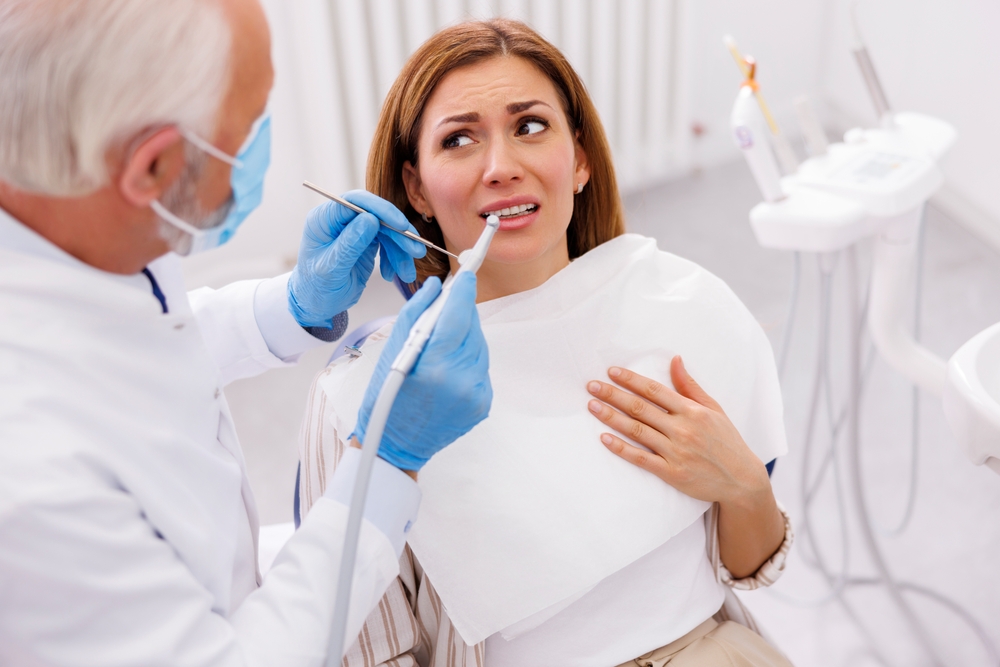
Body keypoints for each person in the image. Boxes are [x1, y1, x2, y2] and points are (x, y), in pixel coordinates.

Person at [0, 1, 491, 665]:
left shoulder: (67, 226)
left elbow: (128, 344)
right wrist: (386, 460)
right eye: (251, 127)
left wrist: (289, 307)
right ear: (151, 169)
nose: (265, 143)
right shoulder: (36, 485)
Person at [297, 19, 794, 667]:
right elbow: (367, 651)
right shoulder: (364, 397)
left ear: (580, 159)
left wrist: (746, 487)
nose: (502, 167)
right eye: (459, 139)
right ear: (416, 186)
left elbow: (751, 568)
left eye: (530, 126)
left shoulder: (683, 306)